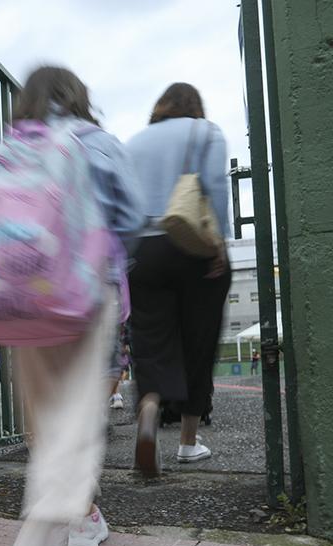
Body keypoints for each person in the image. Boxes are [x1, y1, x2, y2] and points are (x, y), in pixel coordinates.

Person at [0, 67, 145, 546]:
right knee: (78, 421)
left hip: (18, 301)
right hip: (83, 296)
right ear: (80, 100)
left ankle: (51, 542)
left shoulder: (8, 150)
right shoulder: (99, 144)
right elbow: (131, 218)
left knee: (44, 420)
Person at [124, 83, 233, 474]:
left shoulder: (133, 142)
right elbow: (215, 186)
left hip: (144, 251)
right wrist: (218, 242)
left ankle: (150, 408)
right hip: (192, 245)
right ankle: (188, 442)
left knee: (150, 338)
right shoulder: (206, 132)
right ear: (194, 106)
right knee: (198, 341)